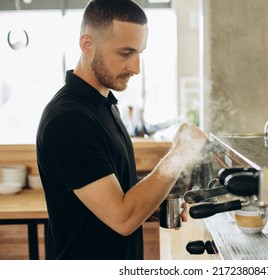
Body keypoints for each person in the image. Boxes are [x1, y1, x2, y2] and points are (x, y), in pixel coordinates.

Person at [36, 0, 207, 260]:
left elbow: (115, 196)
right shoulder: (67, 119)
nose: (136, 67)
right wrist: (178, 155)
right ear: (87, 44)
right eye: (125, 53)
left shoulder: (104, 104)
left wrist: (148, 205)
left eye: (140, 53)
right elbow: (123, 219)